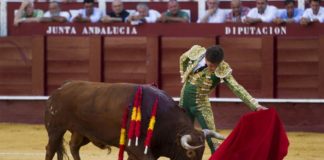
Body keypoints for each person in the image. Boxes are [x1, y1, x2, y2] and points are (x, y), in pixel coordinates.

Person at [179, 45, 267, 153]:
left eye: (215, 66)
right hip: (184, 101)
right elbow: (183, 58)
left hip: (201, 105)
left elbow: (237, 88)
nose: (213, 69)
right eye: (210, 65)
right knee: (181, 138)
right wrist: (184, 75)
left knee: (214, 141)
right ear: (205, 58)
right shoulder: (196, 52)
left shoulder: (223, 69)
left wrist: (255, 106)